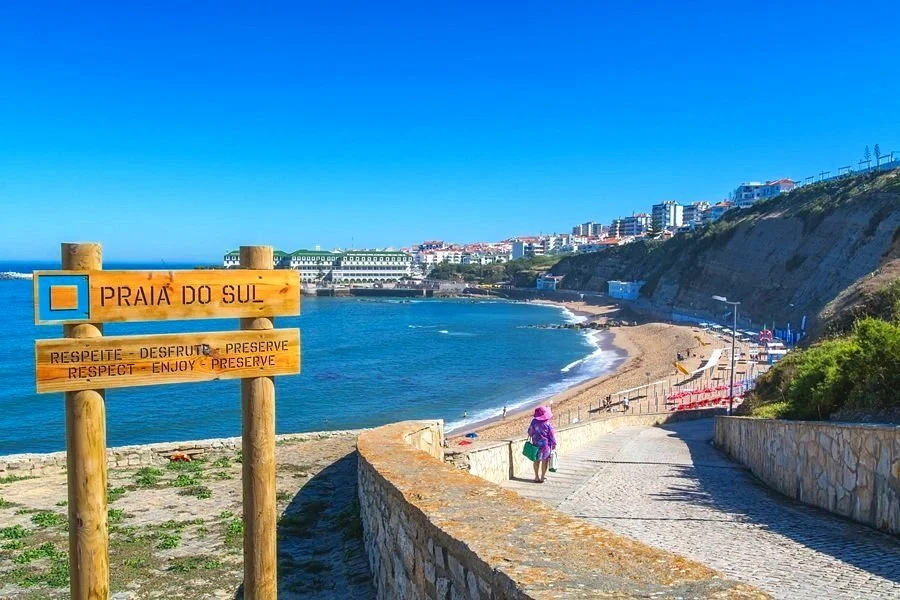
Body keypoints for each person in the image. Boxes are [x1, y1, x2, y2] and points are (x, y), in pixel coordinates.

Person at [527, 406, 557, 483]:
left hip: (536, 444)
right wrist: (554, 444)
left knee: (536, 461)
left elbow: (530, 432)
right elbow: (552, 435)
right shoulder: (547, 423)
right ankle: (542, 477)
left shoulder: (534, 422)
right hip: (545, 446)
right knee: (545, 461)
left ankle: (536, 477)